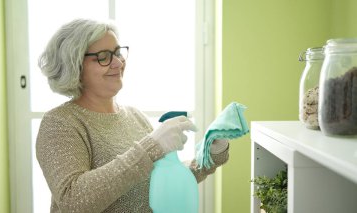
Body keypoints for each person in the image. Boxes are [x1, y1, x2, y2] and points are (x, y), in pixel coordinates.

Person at [36, 18, 230, 213]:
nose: (118, 62)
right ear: (74, 65)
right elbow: (73, 200)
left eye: (118, 53)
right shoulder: (60, 123)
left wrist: (207, 156)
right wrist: (151, 147)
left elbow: (159, 183)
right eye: (104, 56)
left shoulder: (134, 116)